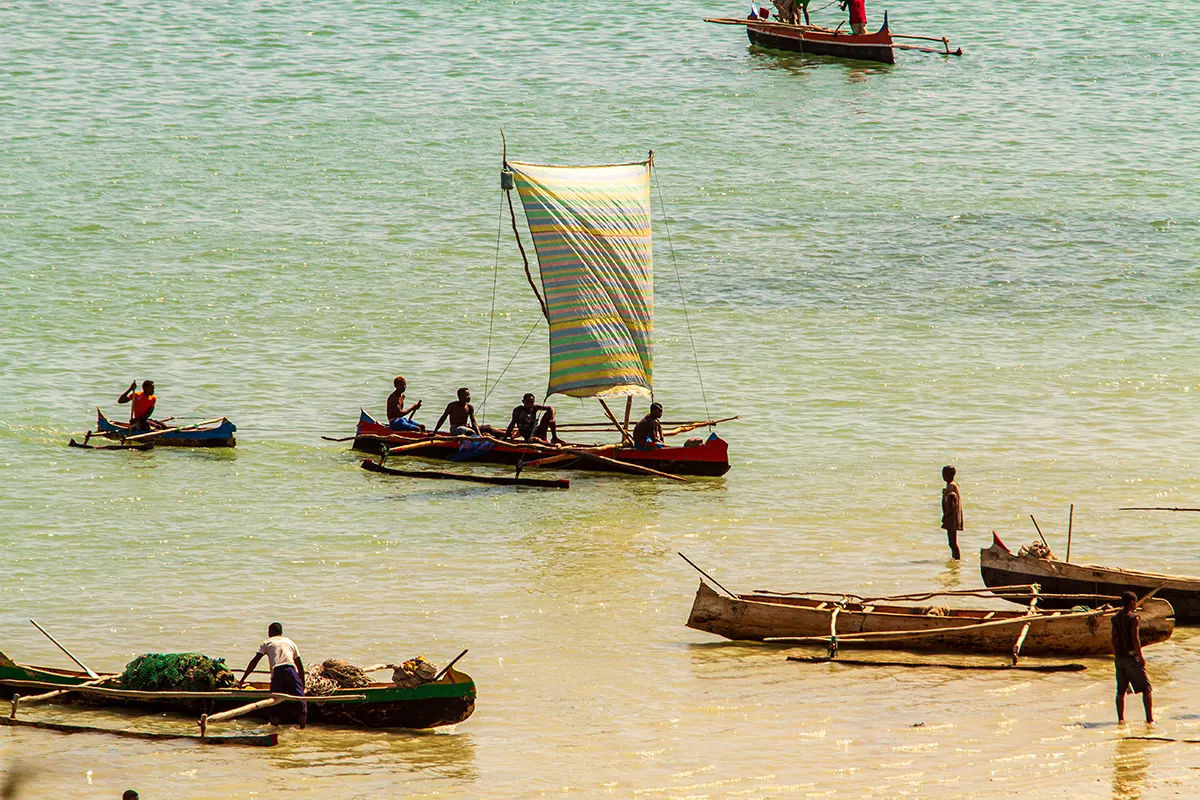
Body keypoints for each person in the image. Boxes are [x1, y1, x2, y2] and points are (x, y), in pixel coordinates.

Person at [237, 622, 306, 728]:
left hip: (278, 672)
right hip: (291, 670)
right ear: (281, 632)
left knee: (274, 702)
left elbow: (254, 662)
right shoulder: (290, 642)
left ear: (270, 632)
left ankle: (274, 728)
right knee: (300, 700)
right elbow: (300, 666)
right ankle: (302, 728)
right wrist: (302, 685)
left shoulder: (267, 642)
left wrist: (242, 680)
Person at [1113, 590, 1153, 723]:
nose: (1136, 604)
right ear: (1131, 602)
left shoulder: (1115, 618)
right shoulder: (1134, 618)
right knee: (1147, 689)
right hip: (1131, 657)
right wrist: (1141, 657)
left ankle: (1121, 719)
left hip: (1119, 658)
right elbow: (1135, 640)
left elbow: (1113, 640)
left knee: (1120, 692)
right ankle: (1149, 719)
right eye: (1135, 602)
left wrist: (1116, 656)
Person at [941, 465, 963, 560]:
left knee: (952, 543)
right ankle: (955, 560)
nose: (943, 476)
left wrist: (946, 515)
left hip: (951, 517)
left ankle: (957, 559)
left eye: (944, 474)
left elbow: (952, 500)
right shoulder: (953, 484)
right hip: (953, 516)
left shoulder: (951, 486)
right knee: (952, 543)